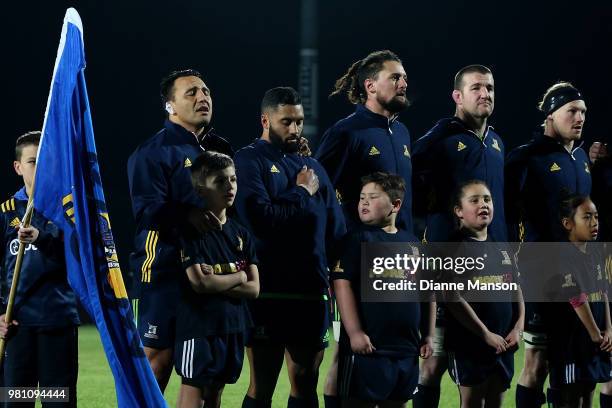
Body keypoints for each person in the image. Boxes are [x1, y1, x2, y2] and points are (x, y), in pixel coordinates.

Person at [234, 87, 345, 408]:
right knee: (263, 383)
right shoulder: (248, 160)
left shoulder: (314, 168)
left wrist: (334, 272)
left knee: (305, 381)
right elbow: (261, 221)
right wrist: (301, 192)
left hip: (310, 290)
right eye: (287, 122)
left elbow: (336, 230)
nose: (296, 129)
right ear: (265, 120)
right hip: (267, 290)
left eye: (299, 121)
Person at [315, 50, 414, 407]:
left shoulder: (401, 132)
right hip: (358, 260)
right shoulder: (346, 131)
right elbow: (320, 191)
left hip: (399, 257)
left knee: (390, 347)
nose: (404, 83)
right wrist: (339, 245)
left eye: (404, 77)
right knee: (349, 350)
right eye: (395, 77)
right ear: (370, 86)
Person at [127, 69, 232, 392]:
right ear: (169, 106)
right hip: (164, 272)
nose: (203, 98)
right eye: (191, 93)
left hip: (210, 272)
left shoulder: (215, 150)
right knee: (157, 360)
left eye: (206, 92)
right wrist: (189, 214)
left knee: (208, 370)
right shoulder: (152, 152)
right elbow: (146, 211)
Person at [411, 64, 506, 408]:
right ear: (457, 96)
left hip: (492, 266)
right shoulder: (440, 138)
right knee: (433, 360)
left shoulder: (497, 142)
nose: (485, 94)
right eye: (477, 88)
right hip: (448, 266)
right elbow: (407, 183)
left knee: (490, 361)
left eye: (490, 88)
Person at [505, 81, 591, 407]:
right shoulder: (525, 158)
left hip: (578, 273)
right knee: (536, 361)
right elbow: (509, 216)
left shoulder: (582, 158)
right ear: (550, 115)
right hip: (539, 273)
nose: (579, 117)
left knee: (568, 363)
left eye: (583, 111)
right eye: (572, 111)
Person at [332, 172, 434, 407]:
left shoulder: (413, 244)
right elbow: (341, 283)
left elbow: (427, 292)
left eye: (373, 197)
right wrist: (355, 332)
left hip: (407, 349)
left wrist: (427, 334)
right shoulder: (357, 240)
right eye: (362, 197)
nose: (364, 202)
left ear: (395, 205)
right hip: (369, 349)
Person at [0, 131, 80, 407]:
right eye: (33, 161)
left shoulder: (67, 209)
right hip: (16, 325)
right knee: (16, 401)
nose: (41, 168)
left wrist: (42, 238)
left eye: (46, 161)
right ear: (18, 167)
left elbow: (79, 258)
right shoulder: (6, 211)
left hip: (57, 321)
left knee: (57, 401)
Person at [174, 151, 259, 408]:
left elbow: (254, 288)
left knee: (215, 396)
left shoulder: (241, 233)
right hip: (199, 327)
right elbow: (200, 284)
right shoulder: (190, 231)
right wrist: (240, 275)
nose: (229, 187)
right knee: (195, 393)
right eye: (220, 181)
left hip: (233, 326)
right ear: (200, 189)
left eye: (233, 180)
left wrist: (224, 278)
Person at [443, 180, 524, 408]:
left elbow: (515, 287)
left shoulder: (501, 246)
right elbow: (452, 297)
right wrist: (485, 333)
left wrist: (518, 327)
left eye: (487, 199)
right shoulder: (454, 248)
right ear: (459, 211)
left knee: (496, 401)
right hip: (470, 344)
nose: (483, 204)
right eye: (474, 200)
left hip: (504, 344)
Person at [545, 193, 612, 407]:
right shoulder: (561, 257)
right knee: (571, 398)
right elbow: (576, 298)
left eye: (596, 217)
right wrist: (595, 334)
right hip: (571, 346)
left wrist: (609, 329)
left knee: (587, 394)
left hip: (595, 343)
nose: (595, 223)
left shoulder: (595, 254)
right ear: (568, 223)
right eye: (587, 217)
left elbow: (603, 293)